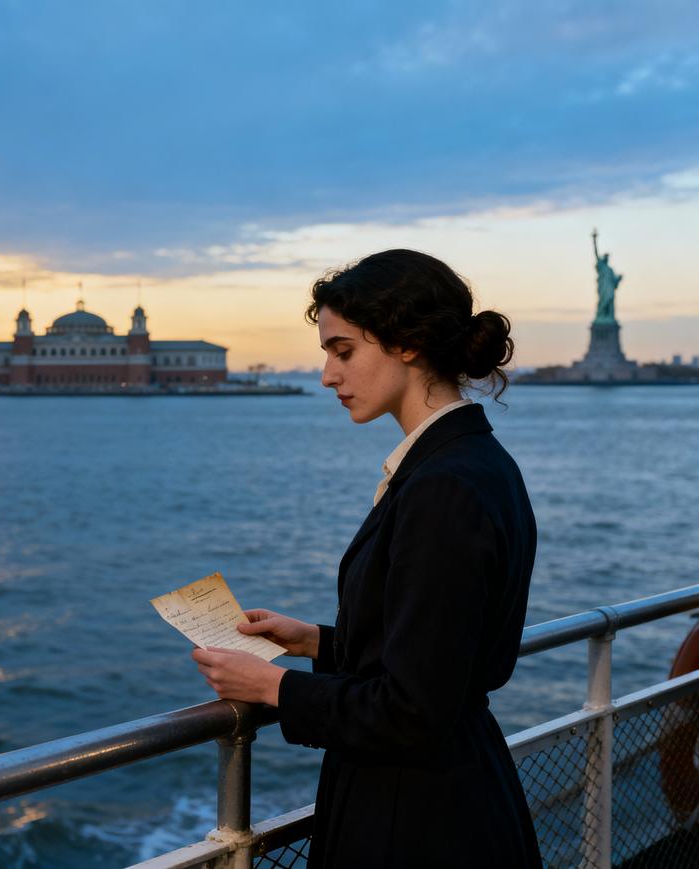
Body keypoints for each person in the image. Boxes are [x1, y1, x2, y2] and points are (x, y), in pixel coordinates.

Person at [192, 249, 542, 868]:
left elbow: (413, 713)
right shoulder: (474, 462)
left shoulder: (443, 487)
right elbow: (437, 657)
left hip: (418, 821)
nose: (328, 374)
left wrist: (273, 686)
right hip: (450, 793)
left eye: (343, 350)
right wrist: (317, 644)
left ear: (407, 343)